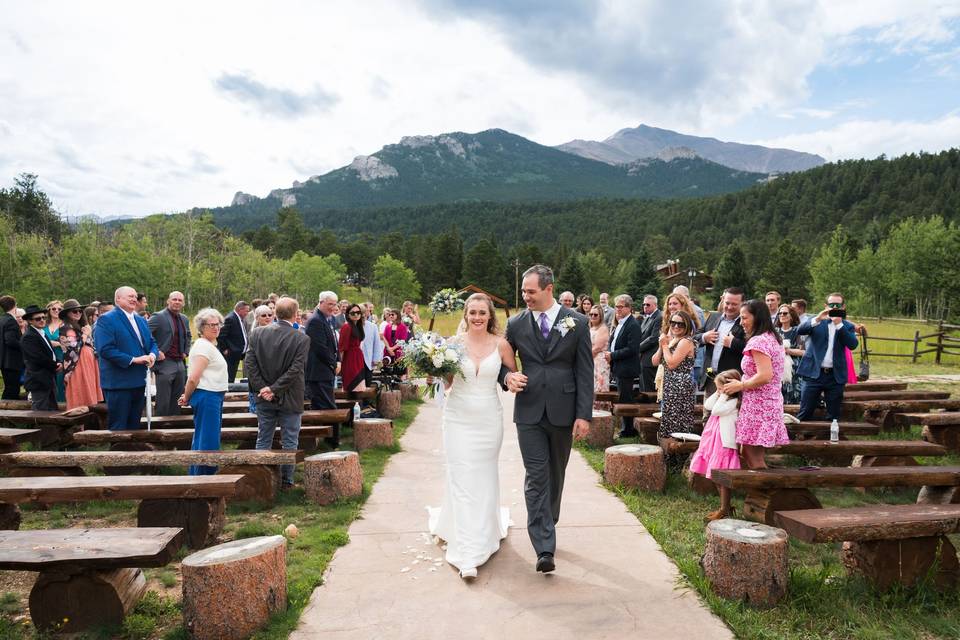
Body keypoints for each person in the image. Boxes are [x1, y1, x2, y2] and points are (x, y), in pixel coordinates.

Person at [499, 265, 593, 574]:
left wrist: (583, 415)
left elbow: (584, 371)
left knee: (556, 472)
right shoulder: (515, 324)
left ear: (549, 289)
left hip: (564, 410)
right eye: (523, 292)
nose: (525, 296)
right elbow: (498, 361)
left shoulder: (576, 322)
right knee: (536, 475)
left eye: (531, 291)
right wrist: (507, 376)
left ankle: (547, 519)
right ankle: (543, 546)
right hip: (528, 410)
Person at [429, 293, 515, 580]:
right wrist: (433, 373)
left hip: (489, 421)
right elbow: (448, 382)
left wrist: (513, 380)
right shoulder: (452, 345)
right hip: (457, 419)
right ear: (465, 315)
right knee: (462, 478)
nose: (477, 317)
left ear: (490, 315)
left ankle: (484, 530)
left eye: (482, 313)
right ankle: (467, 552)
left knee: (483, 476)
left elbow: (509, 378)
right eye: (472, 312)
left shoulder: (502, 345)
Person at [245, 297, 310, 489]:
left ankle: (260, 479)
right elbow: (295, 370)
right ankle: (286, 481)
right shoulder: (301, 338)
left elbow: (250, 364)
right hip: (289, 395)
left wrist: (264, 388)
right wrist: (272, 389)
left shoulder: (257, 334)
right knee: (290, 439)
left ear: (275, 314)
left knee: (263, 436)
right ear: (295, 314)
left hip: (264, 395)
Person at [721, 299, 788, 471]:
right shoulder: (773, 338)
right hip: (769, 401)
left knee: (752, 455)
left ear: (757, 317)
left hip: (759, 404)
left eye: (744, 318)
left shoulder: (758, 342)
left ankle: (764, 492)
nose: (741, 322)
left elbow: (765, 375)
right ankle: (759, 493)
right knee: (752, 452)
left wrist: (740, 386)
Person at [94, 286, 159, 431]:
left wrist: (153, 355)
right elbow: (105, 349)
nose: (134, 299)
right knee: (119, 427)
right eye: (130, 296)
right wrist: (134, 359)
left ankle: (132, 453)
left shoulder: (140, 320)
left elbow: (152, 342)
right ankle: (117, 453)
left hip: (139, 382)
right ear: (118, 299)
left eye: (135, 296)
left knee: (134, 426)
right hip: (119, 382)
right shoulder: (106, 319)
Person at [178, 308, 229, 475]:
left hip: (213, 396)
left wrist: (187, 396)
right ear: (201, 327)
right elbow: (193, 378)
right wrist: (186, 396)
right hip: (208, 396)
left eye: (218, 324)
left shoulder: (209, 345)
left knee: (205, 437)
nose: (216, 327)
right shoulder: (202, 347)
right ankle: (204, 478)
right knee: (208, 441)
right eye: (211, 325)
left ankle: (197, 476)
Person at [795, 293, 859, 421]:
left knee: (833, 415)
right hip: (813, 373)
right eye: (831, 305)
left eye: (837, 305)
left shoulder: (847, 326)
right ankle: (800, 438)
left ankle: (828, 439)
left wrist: (839, 325)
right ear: (825, 306)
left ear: (843, 307)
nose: (834, 307)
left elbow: (852, 345)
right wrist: (818, 319)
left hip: (835, 376)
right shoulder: (817, 320)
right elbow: (800, 330)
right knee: (805, 411)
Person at [689, 369, 742, 521]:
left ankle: (724, 508)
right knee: (715, 476)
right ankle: (724, 507)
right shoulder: (724, 398)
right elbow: (708, 404)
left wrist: (724, 394)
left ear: (729, 389)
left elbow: (717, 410)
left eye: (720, 388)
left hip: (724, 444)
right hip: (714, 441)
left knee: (721, 477)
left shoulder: (733, 403)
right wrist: (719, 393)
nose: (718, 391)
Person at [653, 310, 697, 441]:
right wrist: (662, 346)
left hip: (681, 386)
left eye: (681, 324)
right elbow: (655, 361)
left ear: (687, 326)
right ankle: (669, 458)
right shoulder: (671, 340)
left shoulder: (686, 341)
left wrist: (665, 345)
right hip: (669, 384)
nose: (676, 326)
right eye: (673, 323)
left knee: (678, 421)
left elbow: (672, 364)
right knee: (668, 419)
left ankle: (679, 458)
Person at [148, 291, 192, 416]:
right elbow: (144, 334)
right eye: (174, 299)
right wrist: (155, 350)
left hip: (180, 362)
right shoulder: (159, 316)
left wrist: (186, 351)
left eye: (179, 300)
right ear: (168, 301)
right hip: (165, 362)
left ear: (183, 303)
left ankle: (174, 427)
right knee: (163, 399)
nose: (177, 302)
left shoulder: (184, 318)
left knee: (178, 398)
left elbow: (188, 336)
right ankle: (160, 427)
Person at [305, 292, 341, 447]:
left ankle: (321, 439)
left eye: (335, 304)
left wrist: (338, 360)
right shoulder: (315, 321)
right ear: (321, 302)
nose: (333, 307)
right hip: (318, 371)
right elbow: (320, 347)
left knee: (322, 405)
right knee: (327, 406)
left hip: (326, 369)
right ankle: (333, 441)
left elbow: (333, 343)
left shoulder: (329, 318)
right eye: (330, 304)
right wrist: (334, 363)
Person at [696, 287, 747, 395]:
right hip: (710, 375)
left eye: (734, 304)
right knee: (708, 410)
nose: (729, 307)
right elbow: (694, 337)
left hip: (730, 380)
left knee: (728, 411)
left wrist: (733, 343)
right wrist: (705, 337)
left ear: (742, 304)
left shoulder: (746, 322)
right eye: (727, 303)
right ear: (723, 300)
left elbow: (751, 348)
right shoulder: (713, 316)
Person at [605, 295, 641, 438]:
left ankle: (628, 430)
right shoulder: (620, 322)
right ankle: (626, 428)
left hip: (627, 368)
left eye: (620, 307)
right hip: (619, 366)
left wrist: (612, 355)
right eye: (616, 306)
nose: (617, 309)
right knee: (623, 397)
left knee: (626, 399)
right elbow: (614, 342)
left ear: (629, 308)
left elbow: (632, 349)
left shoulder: (633, 325)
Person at [60, 300, 103, 409]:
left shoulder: (81, 326)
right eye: (75, 311)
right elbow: (73, 346)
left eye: (80, 311)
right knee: (80, 392)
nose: (78, 313)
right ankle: (79, 423)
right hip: (77, 363)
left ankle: (89, 420)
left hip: (89, 361)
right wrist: (86, 334)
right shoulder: (65, 327)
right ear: (67, 313)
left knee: (89, 392)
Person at [20, 305, 60, 410]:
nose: (42, 320)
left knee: (53, 409)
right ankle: (37, 427)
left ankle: (51, 427)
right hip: (38, 379)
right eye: (38, 319)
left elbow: (50, 352)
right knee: (39, 410)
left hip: (48, 377)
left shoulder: (42, 333)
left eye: (44, 317)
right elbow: (38, 358)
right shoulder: (29, 337)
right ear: (30, 321)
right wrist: (55, 365)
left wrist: (58, 362)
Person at [774, 304, 806, 404]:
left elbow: (804, 352)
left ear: (791, 315)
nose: (782, 315)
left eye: (785, 313)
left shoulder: (798, 331)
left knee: (795, 393)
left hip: (794, 368)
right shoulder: (774, 332)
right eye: (780, 313)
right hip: (777, 367)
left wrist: (788, 351)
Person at [218, 301, 250, 382]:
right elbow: (221, 335)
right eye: (246, 311)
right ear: (240, 310)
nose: (248, 313)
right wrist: (224, 349)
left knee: (232, 376)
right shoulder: (230, 318)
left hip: (236, 354)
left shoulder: (238, 318)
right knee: (229, 377)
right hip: (230, 354)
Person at [339, 304, 368, 392]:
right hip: (349, 359)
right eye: (353, 313)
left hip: (358, 357)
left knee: (360, 387)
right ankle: (353, 404)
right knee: (353, 386)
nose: (356, 315)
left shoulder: (358, 326)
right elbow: (342, 348)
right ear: (348, 314)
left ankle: (358, 405)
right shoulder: (346, 327)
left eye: (358, 312)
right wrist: (340, 364)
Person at [0, 295, 24, 399]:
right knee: (12, 390)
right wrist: (24, 346)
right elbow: (10, 340)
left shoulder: (2, 319)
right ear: (15, 305)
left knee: (9, 388)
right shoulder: (11, 321)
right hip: (12, 362)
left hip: (4, 361)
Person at [637, 294, 662, 392]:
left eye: (648, 305)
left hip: (650, 359)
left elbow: (653, 338)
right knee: (643, 389)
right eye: (644, 304)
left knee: (649, 390)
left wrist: (637, 348)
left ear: (655, 305)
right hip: (643, 358)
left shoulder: (659, 317)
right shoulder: (647, 317)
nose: (645, 307)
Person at [43, 300, 66, 402]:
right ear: (49, 310)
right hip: (47, 358)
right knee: (49, 383)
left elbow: (71, 343)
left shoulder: (65, 325)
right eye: (54, 308)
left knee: (60, 383)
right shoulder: (43, 324)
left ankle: (61, 405)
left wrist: (58, 344)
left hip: (62, 357)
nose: (56, 310)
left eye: (59, 309)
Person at [587, 305, 610, 409]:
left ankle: (601, 411)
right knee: (591, 387)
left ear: (601, 316)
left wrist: (584, 359)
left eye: (595, 314)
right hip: (590, 360)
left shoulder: (603, 328)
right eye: (591, 314)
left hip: (599, 362)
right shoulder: (590, 328)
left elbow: (597, 348)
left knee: (599, 387)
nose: (593, 316)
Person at [359, 303, 384, 390]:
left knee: (367, 383)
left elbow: (376, 344)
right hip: (355, 360)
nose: (362, 315)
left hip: (367, 360)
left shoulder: (372, 326)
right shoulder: (350, 325)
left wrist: (376, 359)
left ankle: (365, 403)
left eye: (363, 313)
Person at [382, 308, 409, 374]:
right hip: (388, 352)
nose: (391, 316)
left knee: (398, 372)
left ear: (398, 316)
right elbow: (384, 337)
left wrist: (393, 348)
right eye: (390, 315)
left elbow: (402, 340)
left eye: (392, 315)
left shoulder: (403, 327)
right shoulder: (387, 326)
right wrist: (389, 348)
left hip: (398, 352)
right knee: (387, 372)